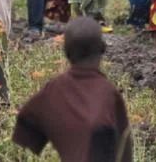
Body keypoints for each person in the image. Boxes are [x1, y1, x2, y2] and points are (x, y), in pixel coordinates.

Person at [12, 16, 132, 162]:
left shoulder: (53, 90)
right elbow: (125, 150)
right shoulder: (109, 94)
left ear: (66, 51)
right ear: (103, 48)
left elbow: (24, 133)